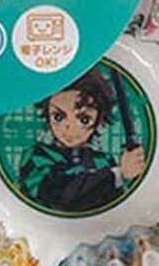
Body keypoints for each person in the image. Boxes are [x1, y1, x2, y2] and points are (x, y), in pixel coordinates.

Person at [19, 67, 146, 214]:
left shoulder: (102, 160)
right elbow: (60, 196)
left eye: (84, 119)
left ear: (98, 120)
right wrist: (119, 174)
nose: (69, 127)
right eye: (58, 117)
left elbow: (116, 206)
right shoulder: (37, 156)